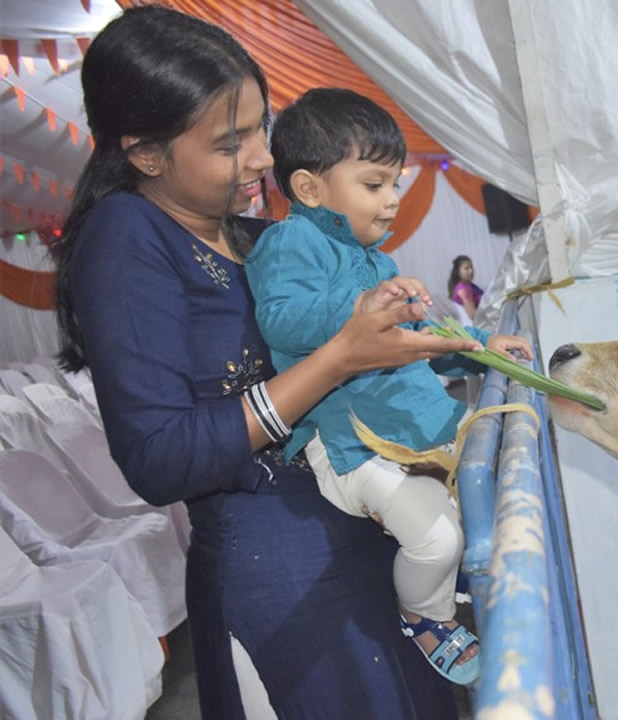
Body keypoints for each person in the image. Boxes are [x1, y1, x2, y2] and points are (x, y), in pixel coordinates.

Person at [50, 7, 476, 717]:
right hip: (282, 579)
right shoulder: (125, 239)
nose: (260, 158)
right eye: (230, 143)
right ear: (147, 154)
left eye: (260, 128)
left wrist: (444, 344)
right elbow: (159, 458)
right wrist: (336, 360)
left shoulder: (259, 235)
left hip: (362, 527)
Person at [244, 88, 532, 686]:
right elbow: (281, 319)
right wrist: (360, 308)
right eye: (374, 184)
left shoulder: (378, 263)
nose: (393, 199)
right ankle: (424, 614)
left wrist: (481, 347)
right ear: (309, 189)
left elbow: (424, 334)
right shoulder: (290, 242)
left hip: (412, 428)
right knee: (436, 540)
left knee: (485, 496)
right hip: (356, 447)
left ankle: (447, 586)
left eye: (395, 184)